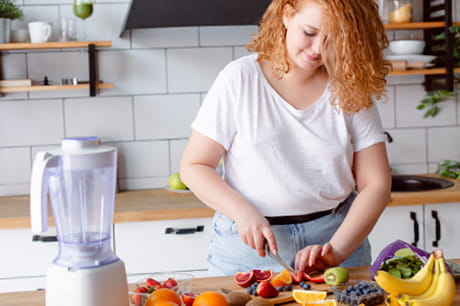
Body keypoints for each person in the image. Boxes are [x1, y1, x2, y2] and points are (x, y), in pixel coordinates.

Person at [180, 0, 392, 276]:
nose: (318, 49)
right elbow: (194, 166)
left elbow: (376, 183)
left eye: (334, 38)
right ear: (287, 14)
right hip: (249, 245)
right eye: (310, 32)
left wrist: (336, 250)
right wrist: (243, 212)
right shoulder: (239, 78)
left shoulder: (349, 86)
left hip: (336, 237)